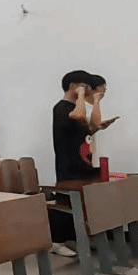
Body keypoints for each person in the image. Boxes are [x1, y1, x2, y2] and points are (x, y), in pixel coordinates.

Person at [49, 70, 97, 256]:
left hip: (82, 161)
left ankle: (77, 237)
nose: (87, 90)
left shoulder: (76, 107)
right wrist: (82, 95)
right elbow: (77, 115)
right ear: (72, 86)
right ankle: (57, 242)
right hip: (68, 163)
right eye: (84, 86)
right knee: (65, 201)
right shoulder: (61, 107)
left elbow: (82, 129)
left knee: (83, 201)